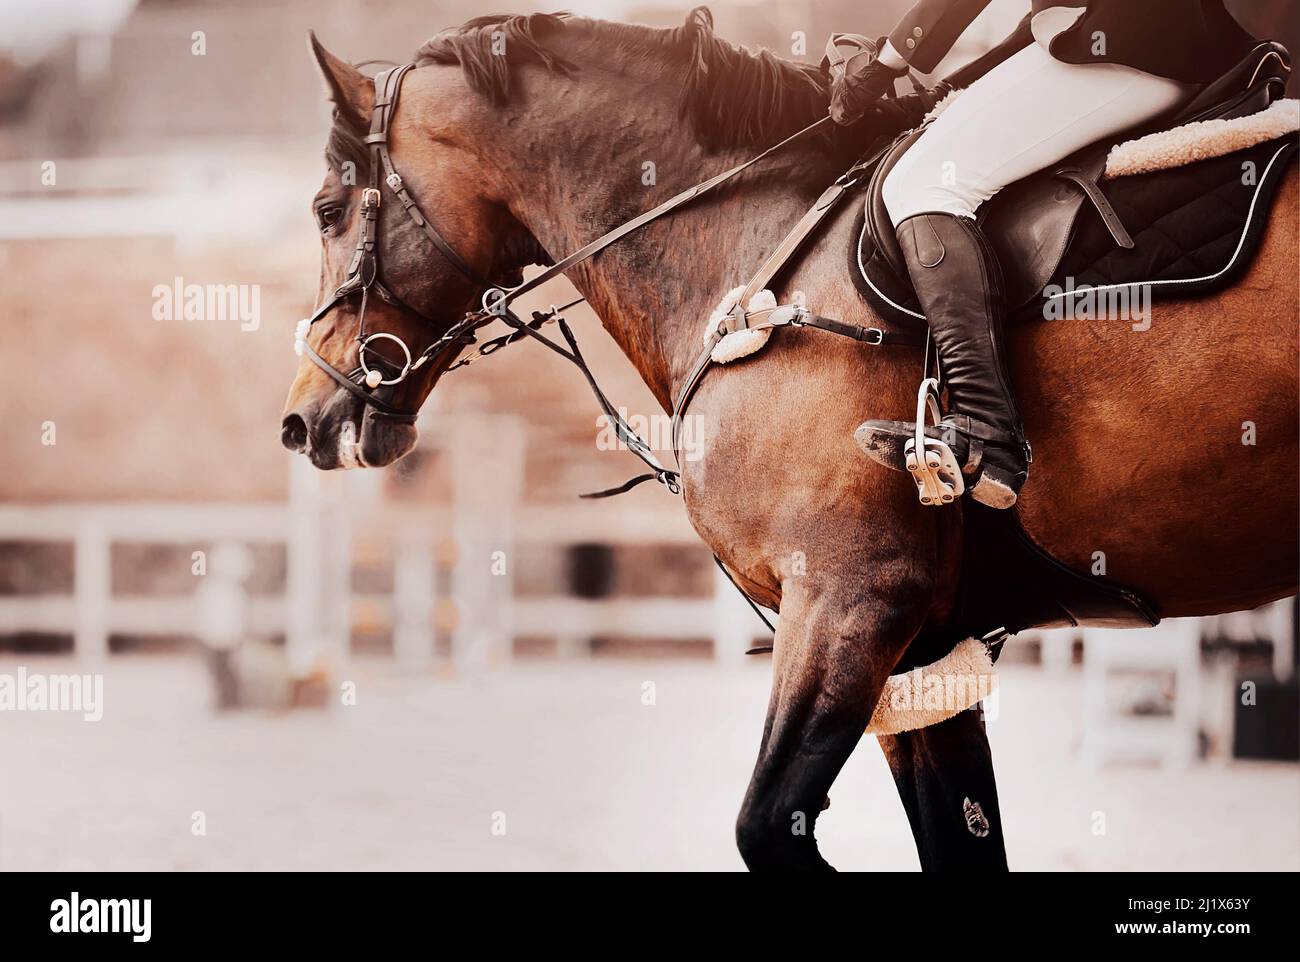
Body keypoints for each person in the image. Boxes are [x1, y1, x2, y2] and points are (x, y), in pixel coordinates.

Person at [830, 0, 1258, 507]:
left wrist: (888, 63)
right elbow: (1047, 19)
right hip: (1141, 35)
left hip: (1134, 43)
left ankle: (984, 425)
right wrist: (943, 93)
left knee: (921, 186)